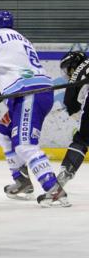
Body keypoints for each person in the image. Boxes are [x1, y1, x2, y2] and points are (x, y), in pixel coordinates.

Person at [0, 10, 68, 207]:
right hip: (32, 92)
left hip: (28, 93)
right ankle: (21, 181)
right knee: (3, 132)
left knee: (25, 144)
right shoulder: (23, 39)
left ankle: (54, 190)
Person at [55, 51, 89, 188]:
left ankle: (66, 173)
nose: (68, 74)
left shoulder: (77, 73)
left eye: (68, 69)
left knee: (81, 139)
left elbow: (70, 103)